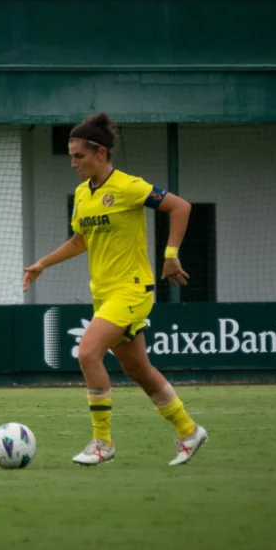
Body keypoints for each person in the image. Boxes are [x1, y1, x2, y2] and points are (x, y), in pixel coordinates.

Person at [23, 112, 207, 466]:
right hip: (104, 295)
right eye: (71, 156)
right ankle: (188, 430)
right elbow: (81, 241)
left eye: (80, 156)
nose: (73, 163)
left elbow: (180, 207)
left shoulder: (128, 186)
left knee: (87, 353)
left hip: (133, 290)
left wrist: (171, 255)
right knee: (139, 370)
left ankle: (102, 443)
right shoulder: (82, 194)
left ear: (101, 153)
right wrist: (43, 263)